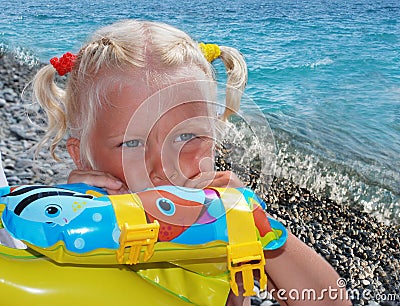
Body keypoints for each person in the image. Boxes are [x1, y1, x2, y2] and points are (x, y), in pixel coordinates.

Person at [31, 20, 350, 306]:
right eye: (131, 143)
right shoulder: (66, 227)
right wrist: (72, 216)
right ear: (82, 155)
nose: (162, 167)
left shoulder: (224, 224)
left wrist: (253, 223)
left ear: (215, 139)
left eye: (186, 137)